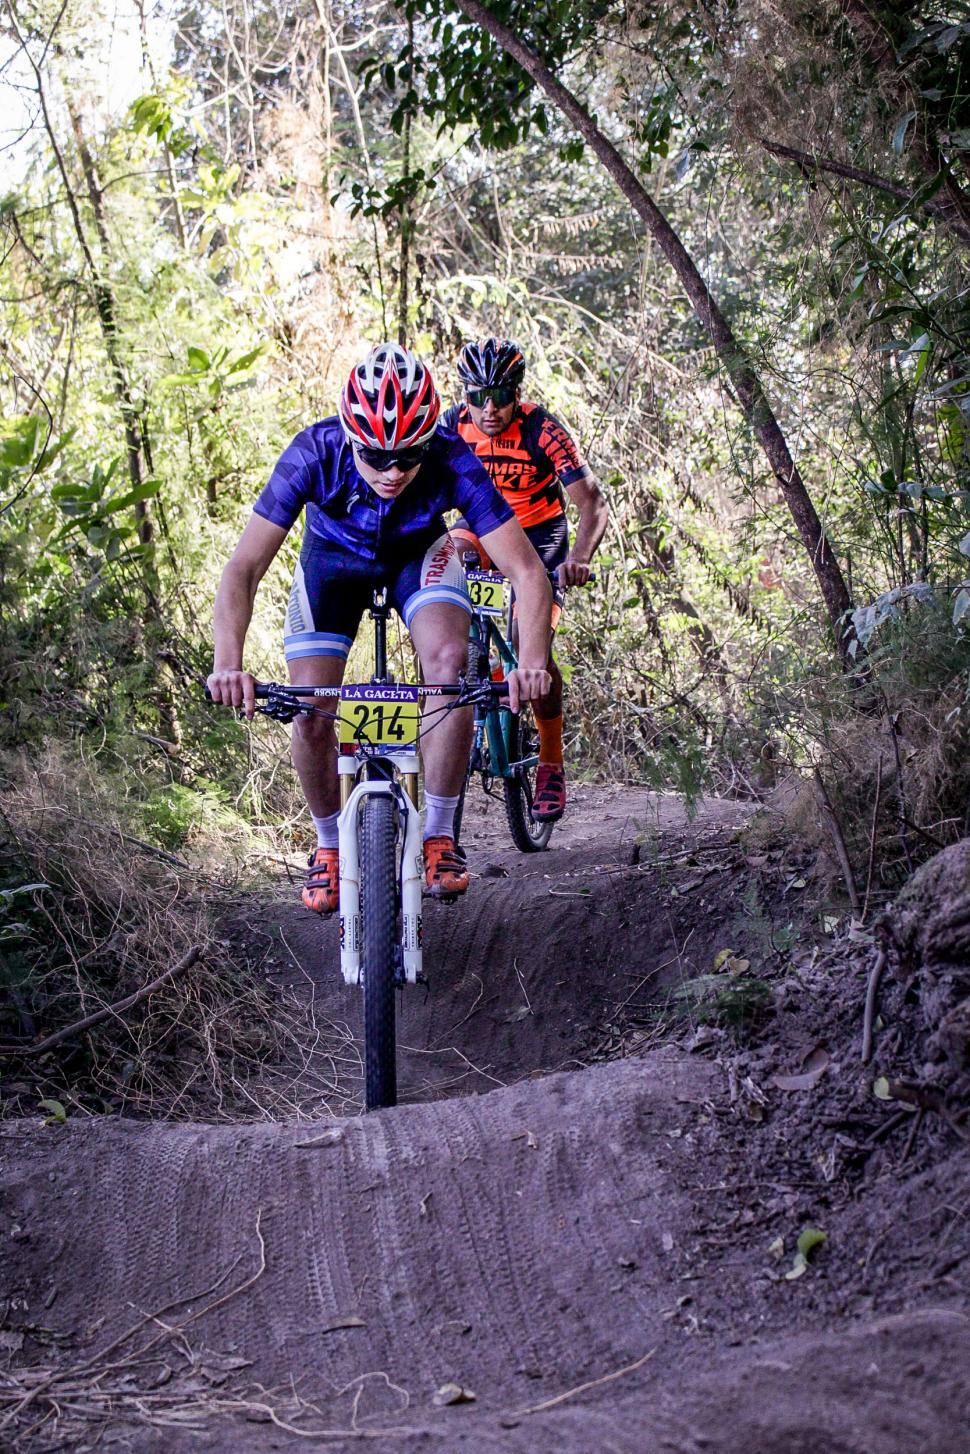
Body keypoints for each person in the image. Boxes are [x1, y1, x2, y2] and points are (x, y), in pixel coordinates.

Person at [208, 343, 552, 913]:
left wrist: (532, 662)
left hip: (418, 556)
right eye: (376, 456)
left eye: (409, 456)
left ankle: (438, 836)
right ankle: (328, 845)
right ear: (349, 436)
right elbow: (243, 568)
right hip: (332, 562)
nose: (393, 472)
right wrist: (228, 663)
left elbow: (527, 572)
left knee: (450, 670)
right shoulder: (313, 452)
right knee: (310, 706)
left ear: (428, 441)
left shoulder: (451, 455)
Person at [442, 338, 607, 822]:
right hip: (479, 530)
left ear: (517, 393)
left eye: (499, 396)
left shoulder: (542, 429)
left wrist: (578, 557)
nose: (488, 409)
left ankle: (551, 761)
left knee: (529, 643)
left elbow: (592, 503)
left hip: (538, 536)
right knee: (444, 572)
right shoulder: (451, 426)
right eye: (477, 397)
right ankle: (477, 673)